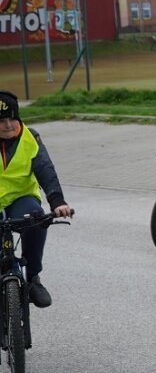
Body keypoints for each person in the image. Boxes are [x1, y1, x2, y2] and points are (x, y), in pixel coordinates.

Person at [0, 91, 72, 308]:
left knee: (36, 219)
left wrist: (58, 202)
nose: (8, 125)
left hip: (21, 198)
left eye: (12, 118)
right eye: (1, 121)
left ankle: (33, 279)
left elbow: (45, 169)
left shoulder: (30, 138)